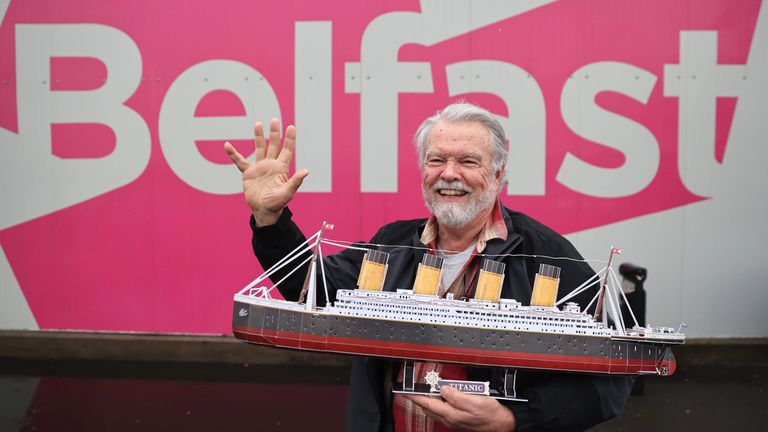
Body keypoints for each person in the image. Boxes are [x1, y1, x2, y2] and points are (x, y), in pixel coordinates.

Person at [225, 102, 633, 431]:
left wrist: (514, 420)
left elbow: (614, 377)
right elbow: (314, 289)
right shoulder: (393, 242)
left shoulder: (547, 256)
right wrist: (271, 220)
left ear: (498, 174)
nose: (449, 174)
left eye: (468, 161)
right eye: (436, 159)